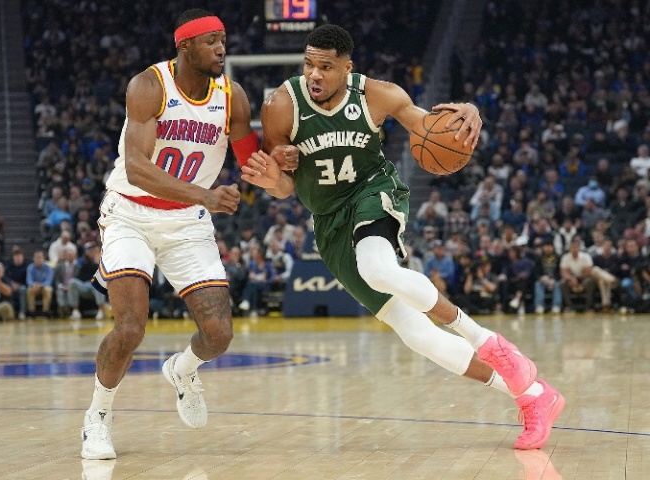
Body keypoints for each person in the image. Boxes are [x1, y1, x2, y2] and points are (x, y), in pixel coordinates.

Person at [242, 24, 564, 451]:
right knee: (418, 336)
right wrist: (273, 180)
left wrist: (468, 111)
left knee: (377, 268)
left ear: (347, 68)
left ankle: (486, 340)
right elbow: (284, 187)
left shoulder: (377, 95)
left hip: (373, 193)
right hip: (328, 220)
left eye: (326, 67)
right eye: (309, 65)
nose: (314, 74)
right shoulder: (281, 105)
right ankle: (533, 395)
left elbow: (431, 127)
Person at [79, 9, 296, 460]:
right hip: (130, 215)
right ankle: (97, 416)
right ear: (185, 46)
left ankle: (182, 369)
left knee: (219, 334)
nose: (221, 49)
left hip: (187, 222)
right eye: (211, 41)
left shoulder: (232, 96)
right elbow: (137, 169)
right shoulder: (149, 86)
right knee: (130, 327)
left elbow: (250, 164)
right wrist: (206, 195)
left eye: (223, 40)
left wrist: (279, 164)